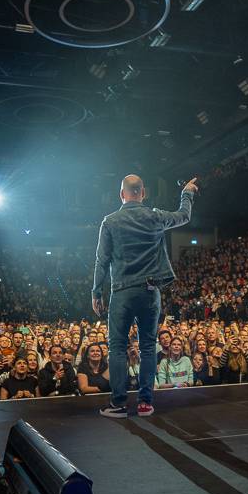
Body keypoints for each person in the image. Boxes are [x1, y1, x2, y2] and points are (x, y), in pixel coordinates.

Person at [92, 174, 197, 417]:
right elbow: (184, 215)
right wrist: (187, 192)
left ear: (122, 194)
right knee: (149, 347)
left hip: (122, 292)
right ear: (144, 193)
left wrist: (97, 291)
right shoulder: (154, 216)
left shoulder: (110, 221)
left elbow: (102, 260)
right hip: (150, 292)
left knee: (117, 347)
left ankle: (118, 404)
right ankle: (145, 403)